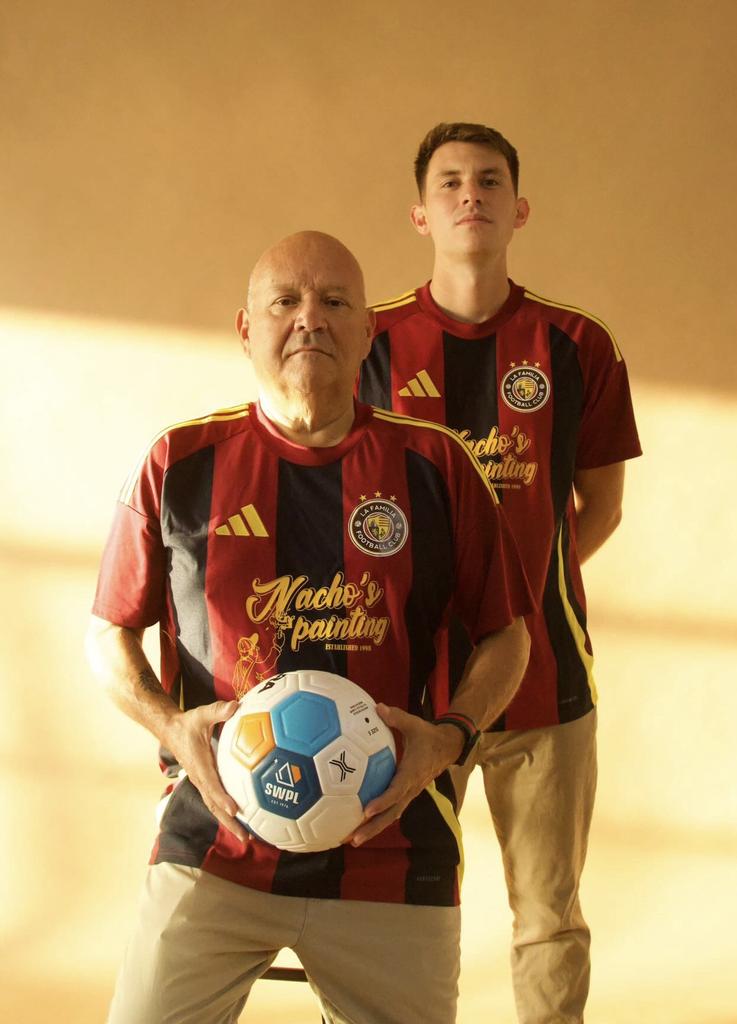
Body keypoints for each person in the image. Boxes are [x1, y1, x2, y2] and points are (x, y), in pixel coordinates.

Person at [86, 229, 534, 1024]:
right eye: (285, 302)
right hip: (216, 850)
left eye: (334, 302)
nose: (309, 320)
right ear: (246, 328)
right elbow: (108, 632)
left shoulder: (437, 468)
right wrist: (170, 724)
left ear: (368, 330)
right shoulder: (177, 464)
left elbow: (510, 635)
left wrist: (451, 736)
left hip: (394, 855)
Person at [358, 123, 642, 1024]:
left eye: (488, 181)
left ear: (519, 208)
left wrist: (514, 599)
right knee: (393, 914)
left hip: (549, 681)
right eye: (449, 183)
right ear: (420, 213)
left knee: (547, 919)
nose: (469, 195)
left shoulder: (576, 345)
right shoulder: (370, 343)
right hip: (410, 684)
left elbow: (600, 506)